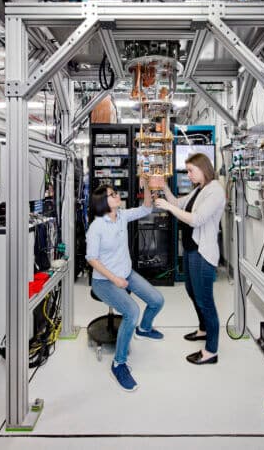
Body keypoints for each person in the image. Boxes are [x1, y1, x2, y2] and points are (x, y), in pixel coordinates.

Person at [86, 181, 164, 392]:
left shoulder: (122, 216)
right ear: (103, 202)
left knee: (157, 300)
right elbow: (92, 259)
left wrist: (147, 183)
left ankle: (144, 329)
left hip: (126, 273)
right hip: (104, 281)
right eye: (112, 195)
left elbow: (147, 207)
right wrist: (115, 279)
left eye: (115, 193)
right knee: (132, 311)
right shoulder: (97, 227)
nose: (117, 195)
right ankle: (118, 364)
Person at [155, 153, 225, 365]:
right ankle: (203, 329)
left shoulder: (215, 191)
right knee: (192, 292)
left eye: (190, 170)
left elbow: (196, 220)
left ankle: (211, 351)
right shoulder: (199, 190)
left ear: (203, 168)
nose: (188, 174)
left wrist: (168, 208)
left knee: (205, 300)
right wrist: (164, 187)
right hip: (190, 249)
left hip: (203, 252)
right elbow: (177, 202)